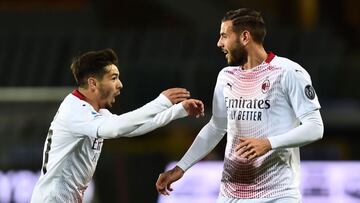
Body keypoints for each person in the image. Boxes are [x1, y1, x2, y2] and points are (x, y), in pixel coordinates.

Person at [156, 8, 324, 203]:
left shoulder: (289, 72)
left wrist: (268, 143)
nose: (219, 43)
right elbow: (216, 127)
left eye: (224, 36)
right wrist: (180, 168)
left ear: (245, 37)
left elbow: (315, 128)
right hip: (231, 195)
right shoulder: (226, 77)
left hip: (278, 195)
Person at [30, 48, 204, 203]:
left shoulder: (94, 112)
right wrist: (161, 102)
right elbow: (116, 128)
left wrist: (179, 111)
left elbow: (134, 128)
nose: (120, 85)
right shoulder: (75, 109)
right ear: (93, 83)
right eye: (114, 78)